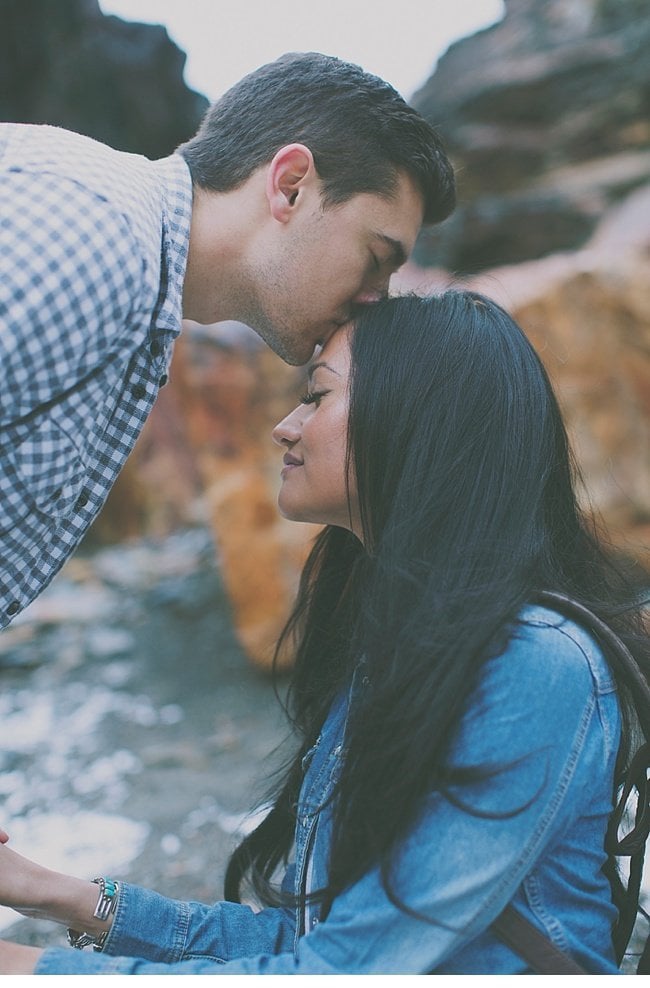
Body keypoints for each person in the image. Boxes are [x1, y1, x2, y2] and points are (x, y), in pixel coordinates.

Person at [0, 289, 648, 974]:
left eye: (316, 396)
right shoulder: (409, 645)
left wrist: (24, 968)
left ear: (414, 420)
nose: (285, 425)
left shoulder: (533, 663)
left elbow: (341, 973)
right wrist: (52, 894)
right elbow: (317, 941)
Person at [0, 50, 455, 627]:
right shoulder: (97, 236)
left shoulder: (135, 275)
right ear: (291, 186)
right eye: (375, 258)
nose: (376, 299)